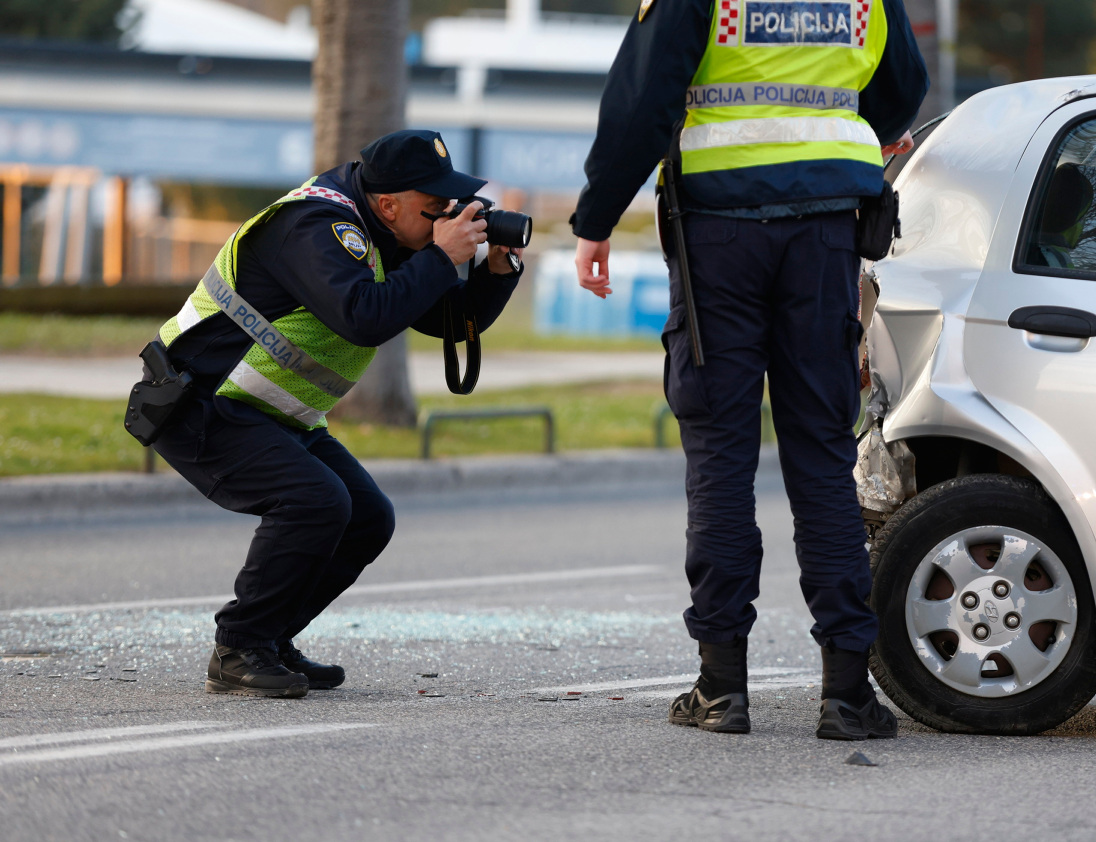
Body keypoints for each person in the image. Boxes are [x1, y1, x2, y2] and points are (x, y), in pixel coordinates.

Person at [571, 0, 927, 738]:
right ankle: (846, 695)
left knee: (722, 456)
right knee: (823, 459)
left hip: (718, 234)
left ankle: (722, 687)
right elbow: (902, 86)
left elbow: (645, 98)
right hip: (827, 228)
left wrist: (596, 219)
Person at [141, 129, 522, 698]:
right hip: (200, 400)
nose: (447, 212)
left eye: (451, 202)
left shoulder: (385, 230)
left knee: (368, 516)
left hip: (268, 411)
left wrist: (494, 271)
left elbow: (444, 320)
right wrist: (441, 256)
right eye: (435, 204)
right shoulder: (316, 227)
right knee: (316, 500)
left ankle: (269, 638)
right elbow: (363, 316)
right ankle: (240, 646)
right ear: (389, 203)